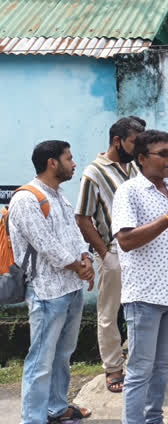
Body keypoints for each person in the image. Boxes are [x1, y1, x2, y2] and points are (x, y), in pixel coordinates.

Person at [111, 130, 168, 424]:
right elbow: (125, 240)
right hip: (145, 296)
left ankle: (154, 419)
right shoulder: (129, 192)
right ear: (140, 159)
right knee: (139, 370)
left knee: (162, 366)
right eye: (162, 154)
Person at [10, 140, 95, 424]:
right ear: (52, 163)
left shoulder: (60, 196)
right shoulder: (26, 199)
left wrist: (86, 258)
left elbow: (74, 235)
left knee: (62, 355)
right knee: (41, 360)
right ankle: (33, 418)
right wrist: (78, 266)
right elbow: (45, 244)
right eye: (69, 158)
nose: (74, 164)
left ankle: (56, 408)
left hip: (70, 289)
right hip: (46, 292)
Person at [76, 117, 144, 394]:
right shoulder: (94, 172)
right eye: (134, 141)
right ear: (117, 141)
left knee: (143, 308)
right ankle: (113, 367)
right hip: (114, 252)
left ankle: (145, 360)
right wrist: (104, 254)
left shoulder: (136, 168)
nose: (139, 147)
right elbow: (83, 217)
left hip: (140, 251)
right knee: (109, 313)